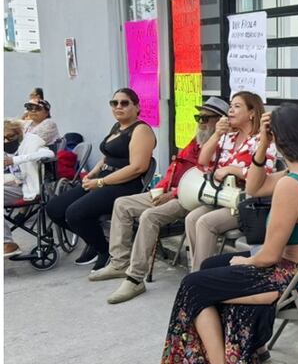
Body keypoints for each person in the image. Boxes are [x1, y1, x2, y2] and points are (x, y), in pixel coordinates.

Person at [158, 103, 298, 364]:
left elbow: (268, 255)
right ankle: (252, 350)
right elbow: (256, 187)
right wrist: (261, 143)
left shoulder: (291, 185)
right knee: (208, 267)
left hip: (294, 281)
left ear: (282, 139)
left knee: (194, 286)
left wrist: (244, 262)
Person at [88, 97, 228, 303]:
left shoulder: (221, 143)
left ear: (220, 121)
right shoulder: (197, 139)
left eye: (206, 118)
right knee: (122, 204)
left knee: (150, 216)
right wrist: (162, 186)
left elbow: (204, 177)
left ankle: (135, 278)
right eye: (199, 117)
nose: (201, 122)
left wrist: (172, 193)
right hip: (170, 189)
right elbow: (176, 167)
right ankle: (119, 263)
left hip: (191, 197)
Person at [46, 88, 156, 271]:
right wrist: (94, 173)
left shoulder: (141, 130)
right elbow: (107, 156)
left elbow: (138, 167)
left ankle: (103, 250)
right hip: (103, 179)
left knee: (74, 213)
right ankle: (94, 238)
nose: (118, 106)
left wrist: (100, 182)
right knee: (54, 208)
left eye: (124, 103)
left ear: (137, 107)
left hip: (126, 184)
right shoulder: (117, 127)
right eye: (114, 103)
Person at [185, 91, 276, 271]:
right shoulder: (229, 137)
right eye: (230, 106)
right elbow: (203, 161)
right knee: (191, 218)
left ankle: (199, 276)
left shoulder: (262, 140)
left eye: (237, 106)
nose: (230, 111)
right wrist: (217, 134)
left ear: (251, 113)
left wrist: (233, 170)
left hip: (245, 202)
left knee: (205, 223)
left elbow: (265, 175)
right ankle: (199, 270)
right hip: (220, 197)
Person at [4, 120, 55, 256]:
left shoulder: (31, 141)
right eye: (3, 138)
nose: (7, 141)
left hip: (32, 187)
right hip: (17, 184)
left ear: (18, 134)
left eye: (10, 137)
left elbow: (49, 154)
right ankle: (6, 242)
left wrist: (16, 160)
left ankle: (7, 243)